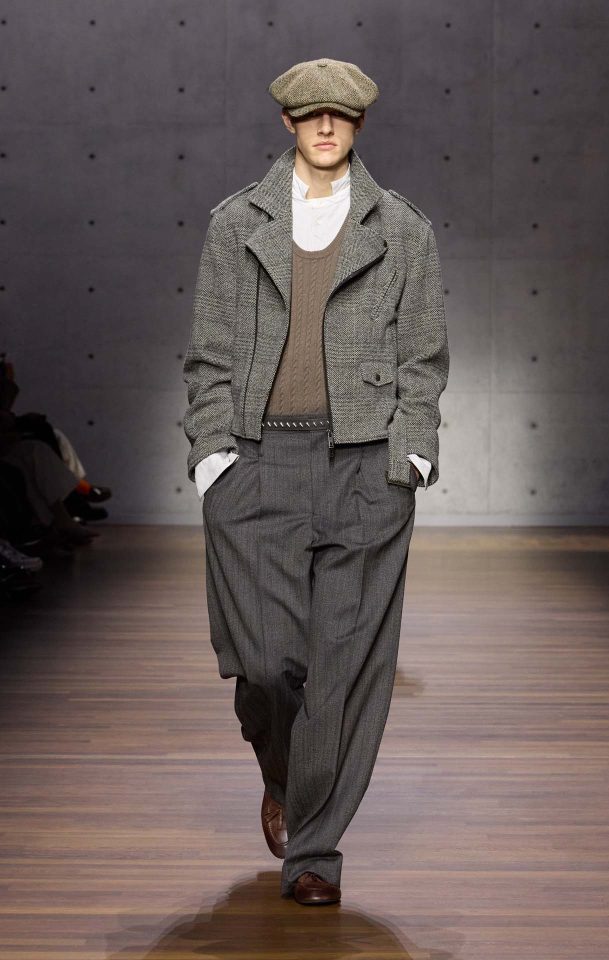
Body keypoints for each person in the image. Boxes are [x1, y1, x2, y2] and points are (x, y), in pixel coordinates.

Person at [183, 58, 450, 906]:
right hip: (256, 463)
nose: (326, 127)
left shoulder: (402, 230)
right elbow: (209, 353)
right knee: (266, 664)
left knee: (344, 670)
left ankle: (313, 854)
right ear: (289, 124)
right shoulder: (237, 224)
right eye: (311, 115)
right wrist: (213, 455)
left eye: (340, 114)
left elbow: (423, 356)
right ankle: (284, 774)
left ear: (359, 124)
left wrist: (410, 456)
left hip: (364, 467)